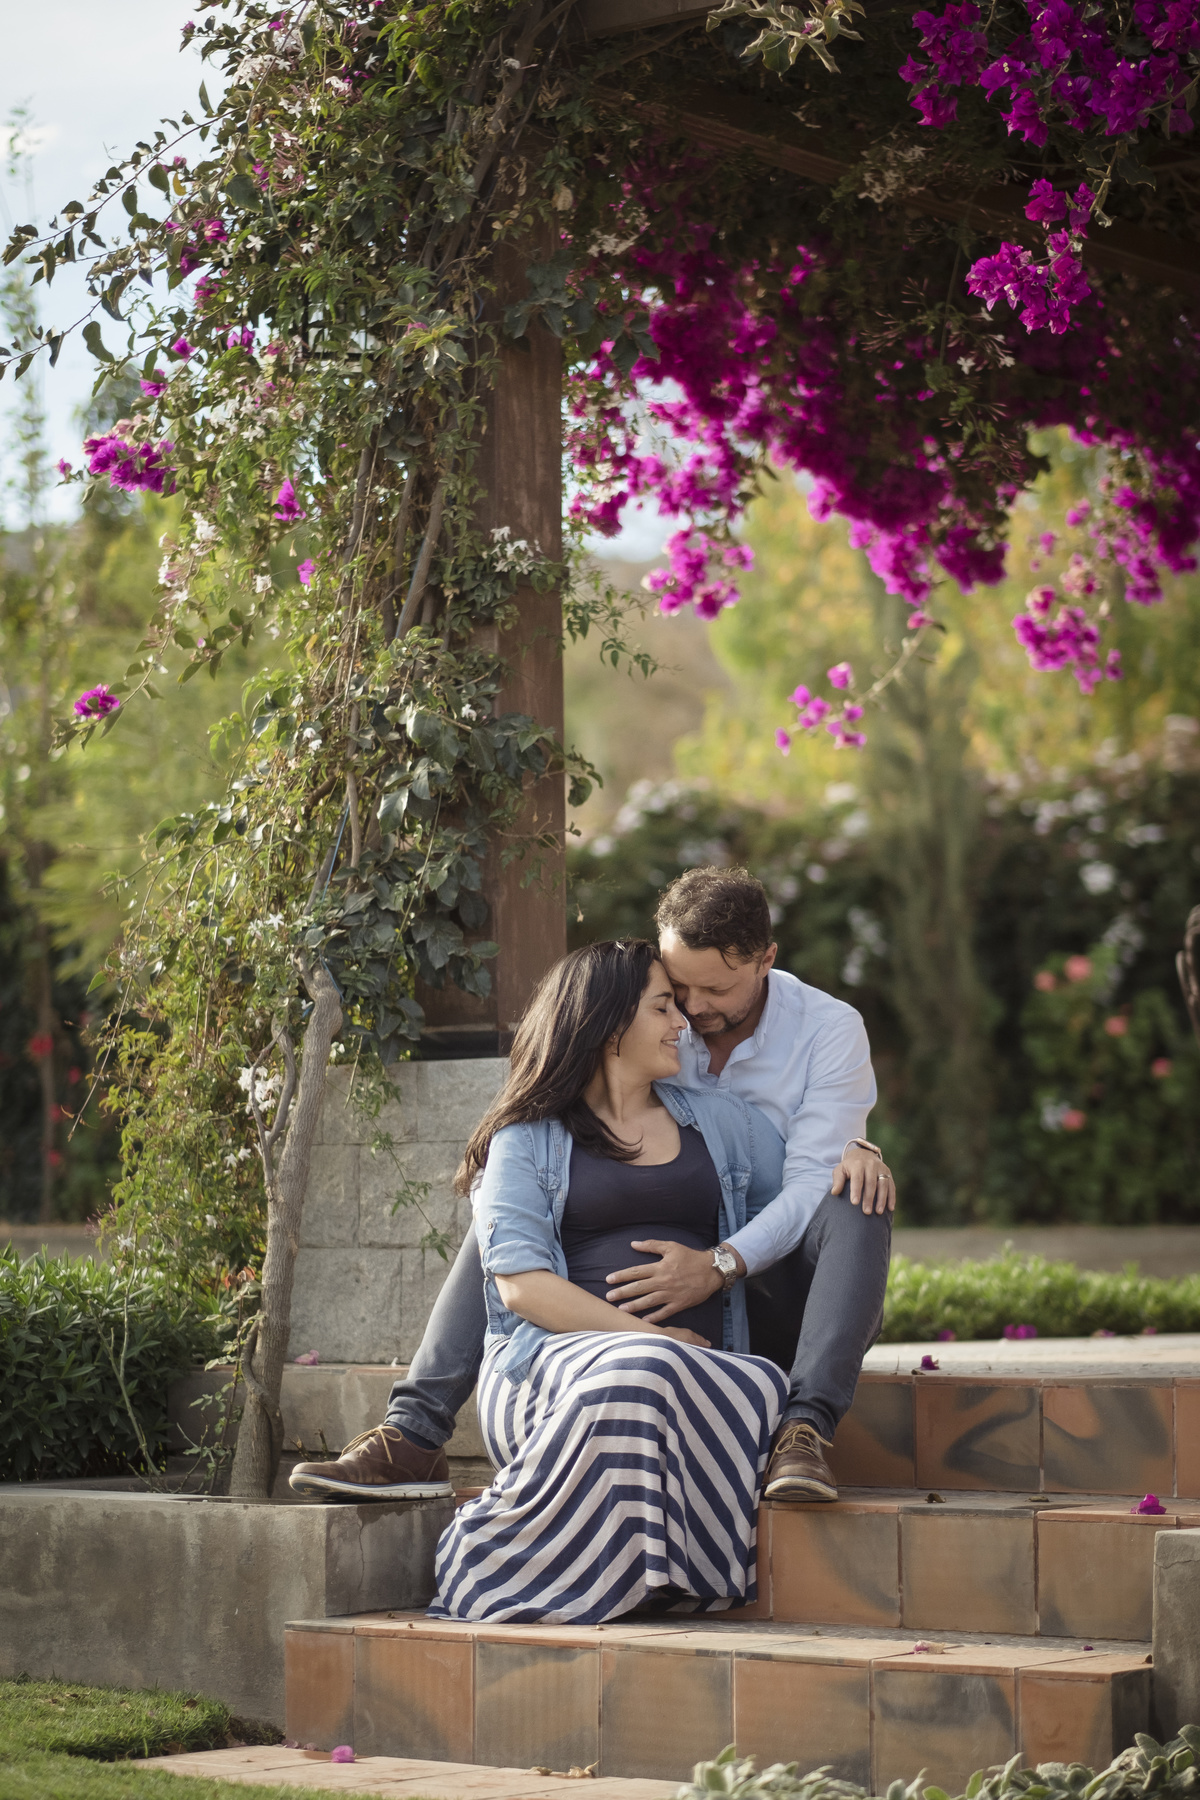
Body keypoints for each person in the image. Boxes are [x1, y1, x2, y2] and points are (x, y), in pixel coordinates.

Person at [291, 865, 894, 1507]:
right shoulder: (649, 1022)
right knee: (506, 1214)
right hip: (637, 1301)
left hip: (768, 1285)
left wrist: (723, 1263)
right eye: (674, 989)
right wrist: (511, 1151)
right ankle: (413, 1433)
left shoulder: (826, 1032)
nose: (689, 1011)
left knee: (856, 1193)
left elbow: (803, 1189)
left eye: (711, 989)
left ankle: (803, 1431)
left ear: (766, 960)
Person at [429, 938, 789, 1623]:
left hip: (698, 1370)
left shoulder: (720, 1123)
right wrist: (655, 1339)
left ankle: (662, 1582)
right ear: (607, 1021)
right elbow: (521, 1287)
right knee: (641, 1370)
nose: (681, 1022)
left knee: (760, 1384)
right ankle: (489, 1566)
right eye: (662, 1007)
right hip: (549, 1370)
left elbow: (802, 1195)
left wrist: (853, 1146)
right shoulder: (528, 1138)